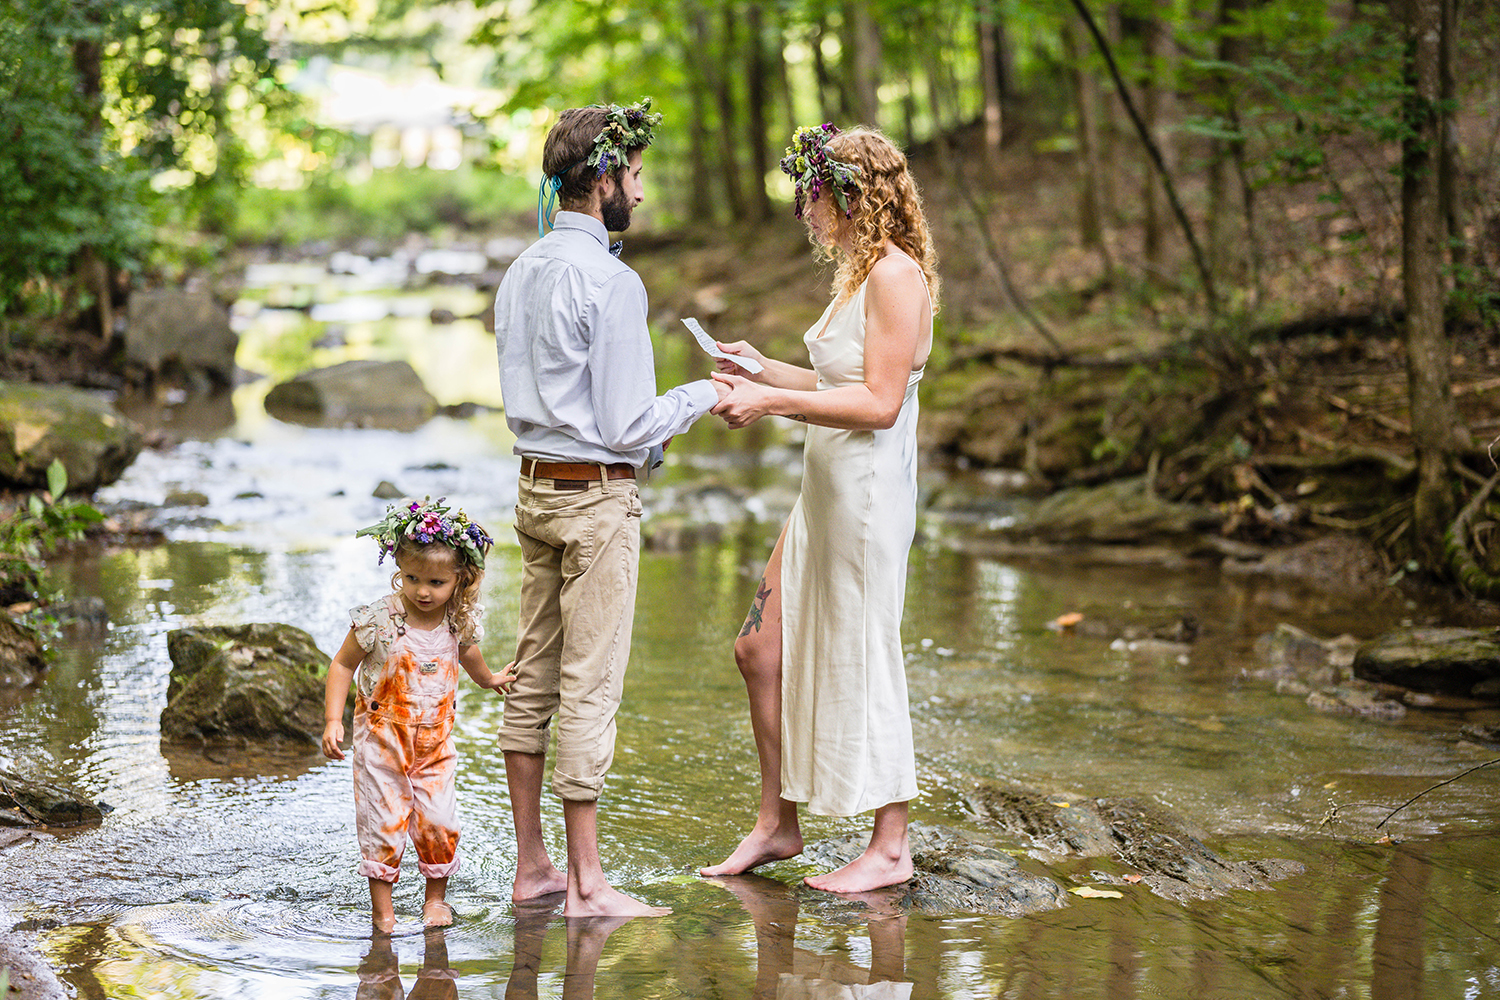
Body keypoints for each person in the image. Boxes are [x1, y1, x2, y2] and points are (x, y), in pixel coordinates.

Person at [493, 98, 729, 917]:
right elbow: (628, 425)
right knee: (589, 688)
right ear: (603, 180)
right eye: (634, 176)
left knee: (531, 683)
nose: (643, 193)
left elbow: (567, 408)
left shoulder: (521, 270)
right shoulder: (613, 282)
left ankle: (535, 870)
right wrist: (706, 392)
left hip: (531, 492)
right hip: (594, 505)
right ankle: (589, 885)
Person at [702, 124, 940, 893]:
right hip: (823, 493)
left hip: (868, 497)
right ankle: (778, 823)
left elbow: (878, 403)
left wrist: (766, 401)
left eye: (810, 196)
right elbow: (831, 379)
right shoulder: (857, 275)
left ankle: (891, 843)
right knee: (758, 650)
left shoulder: (897, 277)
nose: (804, 212)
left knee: (869, 650)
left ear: (849, 196)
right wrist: (759, 366)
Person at [322, 496, 515, 933]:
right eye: (411, 578)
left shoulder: (456, 621)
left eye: (435, 582)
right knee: (383, 821)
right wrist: (334, 720)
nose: (422, 591)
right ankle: (383, 911)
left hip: (433, 743)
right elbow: (342, 664)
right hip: (381, 741)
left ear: (460, 580)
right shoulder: (378, 620)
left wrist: (489, 680)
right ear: (398, 571)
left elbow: (469, 657)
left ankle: (435, 901)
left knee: (439, 821)